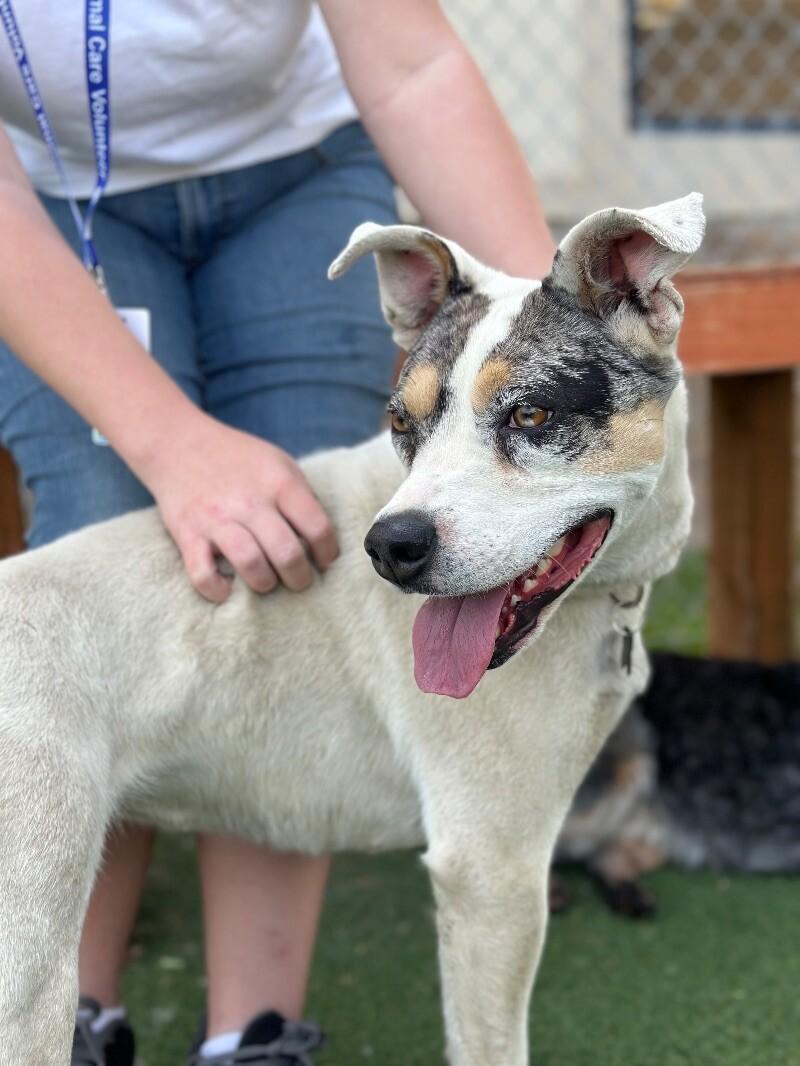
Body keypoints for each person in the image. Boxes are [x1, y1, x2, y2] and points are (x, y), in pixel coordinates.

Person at [0, 2, 555, 1063]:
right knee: (95, 580)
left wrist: (544, 321)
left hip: (296, 171)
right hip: (50, 196)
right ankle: (65, 1015)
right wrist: (170, 444)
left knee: (294, 558)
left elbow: (414, 66)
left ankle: (250, 1036)